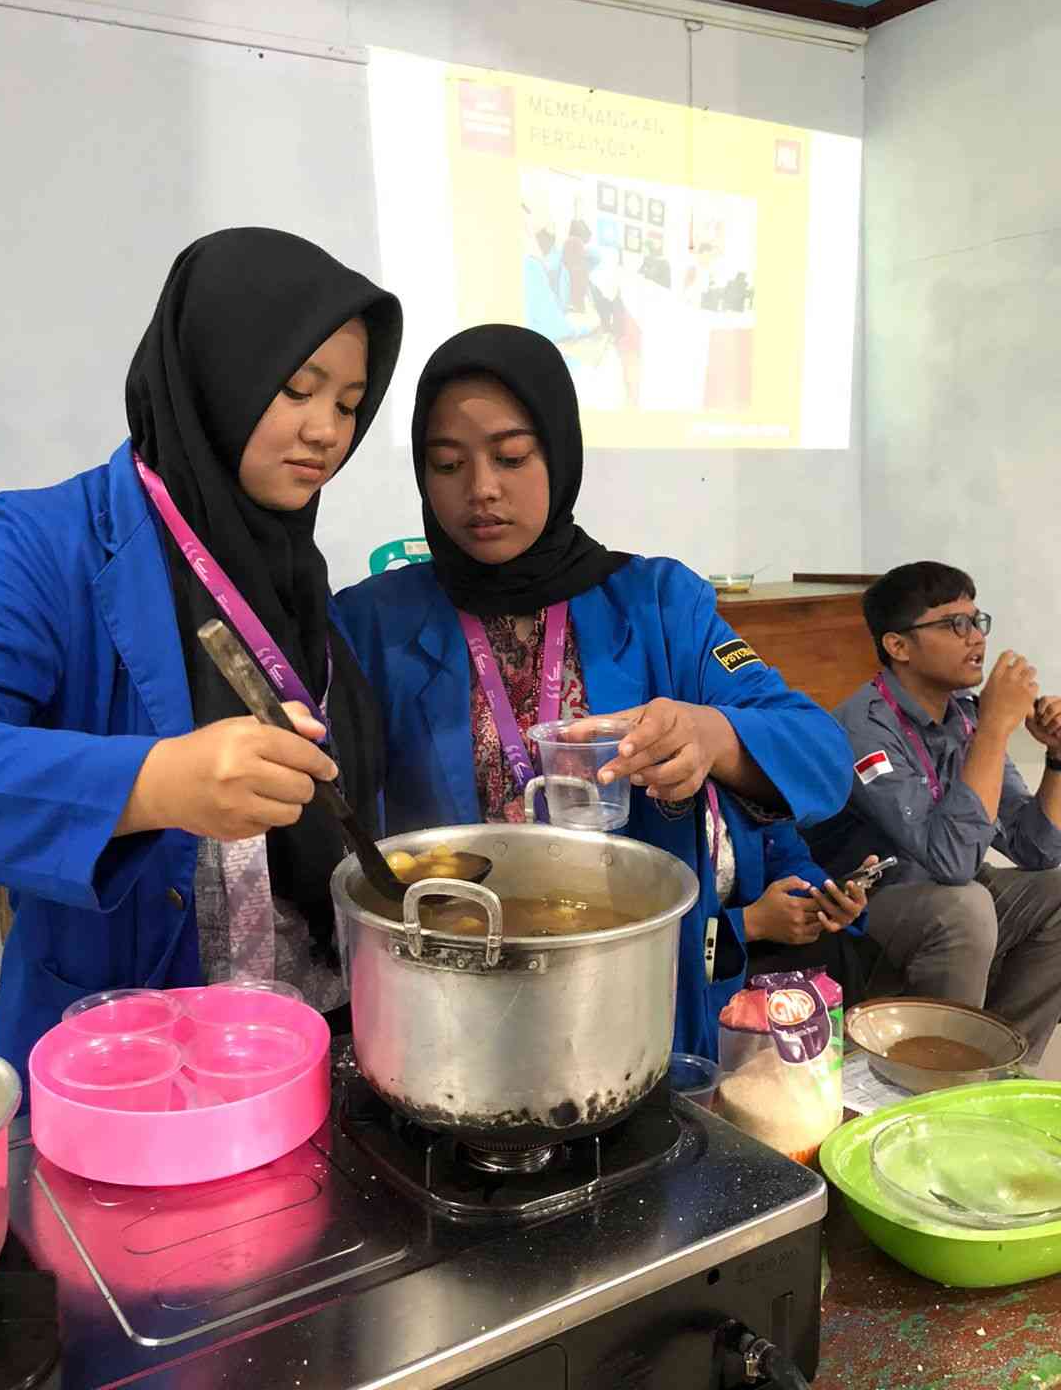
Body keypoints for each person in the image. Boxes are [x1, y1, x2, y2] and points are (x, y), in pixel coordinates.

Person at [0, 228, 402, 1091]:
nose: (324, 431)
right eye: (295, 388)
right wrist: (151, 784)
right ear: (216, 370)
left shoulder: (293, 569)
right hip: (142, 1057)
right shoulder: (53, 544)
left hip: (323, 1045)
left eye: (348, 403)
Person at [336, 324, 860, 1058]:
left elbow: (821, 752)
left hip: (629, 992)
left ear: (559, 453)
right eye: (447, 463)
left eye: (513, 457)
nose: (481, 489)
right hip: (446, 995)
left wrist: (713, 737)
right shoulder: (371, 622)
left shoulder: (657, 604)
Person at [806, 561, 1061, 1062]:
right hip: (864, 913)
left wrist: (1056, 757)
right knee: (965, 906)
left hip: (948, 894)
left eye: (976, 620)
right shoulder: (864, 729)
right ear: (898, 646)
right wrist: (994, 729)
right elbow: (953, 863)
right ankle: (943, 1082)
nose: (976, 639)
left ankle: (1002, 1066)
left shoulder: (964, 715)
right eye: (952, 624)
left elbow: (1037, 849)